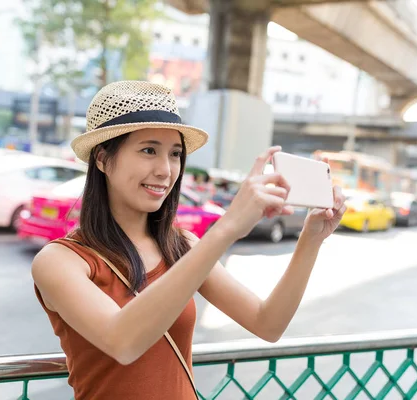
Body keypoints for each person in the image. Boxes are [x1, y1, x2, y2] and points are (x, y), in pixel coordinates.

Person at [31, 81, 346, 400]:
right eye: (148, 150)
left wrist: (312, 239)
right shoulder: (61, 261)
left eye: (175, 154)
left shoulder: (180, 245)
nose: (166, 170)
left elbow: (268, 324)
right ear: (101, 158)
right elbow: (122, 342)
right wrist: (227, 227)